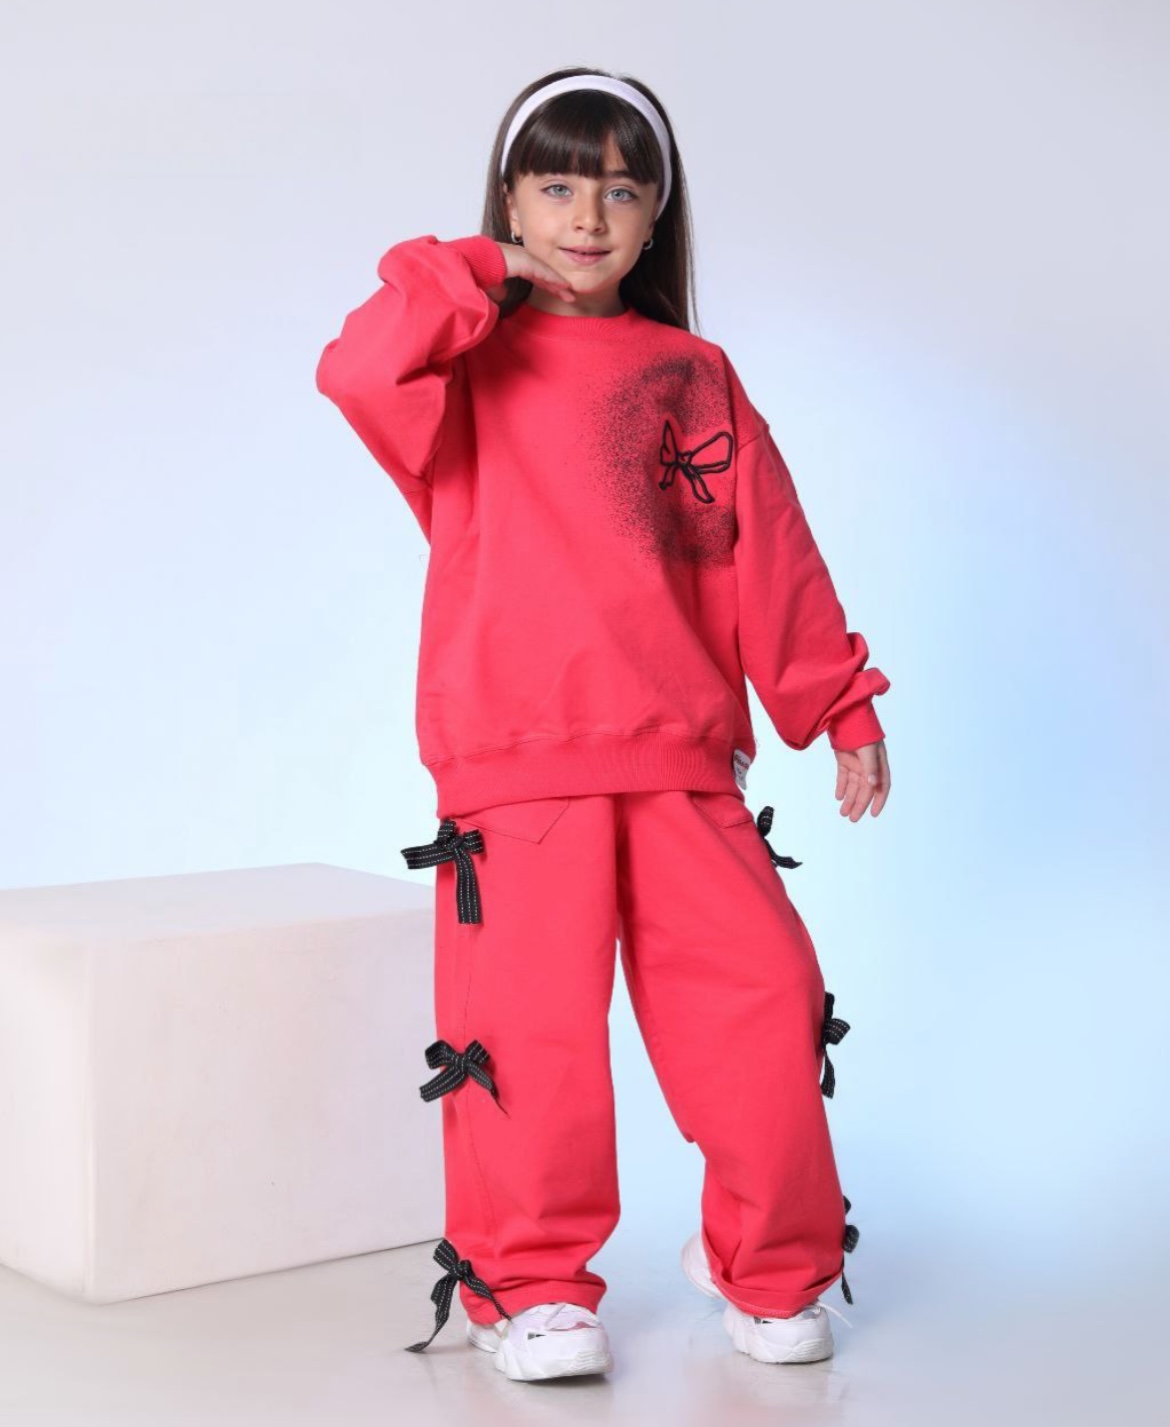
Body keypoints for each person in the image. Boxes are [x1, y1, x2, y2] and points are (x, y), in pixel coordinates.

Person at [315, 65, 892, 1381]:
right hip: (514, 767)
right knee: (528, 1038)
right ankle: (529, 1288)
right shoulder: (458, 364)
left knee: (761, 1004)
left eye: (623, 192)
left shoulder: (690, 373)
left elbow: (766, 550)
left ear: (655, 218)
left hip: (683, 758)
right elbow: (354, 367)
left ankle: (771, 1268)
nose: (588, 217)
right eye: (557, 186)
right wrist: (480, 271)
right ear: (511, 200)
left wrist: (835, 699)